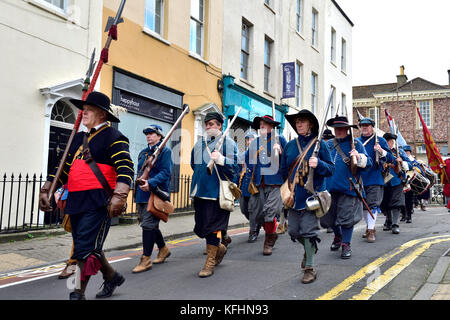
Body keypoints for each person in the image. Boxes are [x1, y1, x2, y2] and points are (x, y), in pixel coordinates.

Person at [39, 91, 134, 300]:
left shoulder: (115, 137)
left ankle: (77, 293)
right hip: (76, 201)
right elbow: (62, 169)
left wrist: (120, 195)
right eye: (83, 110)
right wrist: (47, 189)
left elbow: (126, 168)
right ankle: (112, 277)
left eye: (88, 110)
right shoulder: (78, 139)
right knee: (88, 245)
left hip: (99, 202)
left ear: (101, 114)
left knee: (84, 250)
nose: (83, 113)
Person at [281, 110, 334, 283]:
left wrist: (319, 164)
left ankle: (310, 268)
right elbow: (283, 170)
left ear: (310, 124)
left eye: (302, 121)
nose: (299, 124)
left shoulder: (320, 145)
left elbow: (330, 169)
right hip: (294, 196)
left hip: (312, 195)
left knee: (309, 231)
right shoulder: (290, 146)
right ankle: (310, 249)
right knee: (294, 231)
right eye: (297, 122)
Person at [190, 111, 239, 278]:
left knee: (213, 229)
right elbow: (193, 165)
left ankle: (210, 262)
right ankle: (220, 248)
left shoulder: (228, 142)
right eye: (207, 124)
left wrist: (222, 159)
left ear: (220, 125)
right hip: (200, 191)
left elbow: (236, 167)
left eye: (212, 124)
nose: (209, 126)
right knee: (202, 228)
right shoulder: (198, 144)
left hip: (217, 193)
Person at [321, 116, 372, 259]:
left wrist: (359, 157)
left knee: (346, 218)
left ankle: (346, 243)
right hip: (329, 188)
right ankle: (338, 235)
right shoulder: (327, 144)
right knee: (327, 220)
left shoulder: (356, 144)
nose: (338, 131)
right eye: (336, 128)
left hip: (348, 187)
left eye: (341, 128)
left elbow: (369, 163)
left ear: (347, 129)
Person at [132, 124, 173, 273]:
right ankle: (163, 249)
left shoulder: (165, 151)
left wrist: (151, 183)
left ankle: (146, 259)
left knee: (148, 226)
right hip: (142, 195)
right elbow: (140, 172)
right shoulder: (143, 152)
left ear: (159, 136)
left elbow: (165, 173)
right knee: (150, 225)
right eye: (147, 134)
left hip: (155, 193)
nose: (148, 136)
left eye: (152, 133)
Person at [246, 115, 287, 256]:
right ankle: (272, 232)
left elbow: (289, 160)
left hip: (275, 182)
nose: (262, 126)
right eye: (261, 124)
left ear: (271, 126)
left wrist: (281, 152)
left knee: (270, 212)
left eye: (265, 124)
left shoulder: (279, 139)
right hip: (259, 183)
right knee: (257, 215)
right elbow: (248, 162)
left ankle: (268, 241)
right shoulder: (255, 143)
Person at [356, 117, 395, 243]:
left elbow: (391, 159)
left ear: (372, 127)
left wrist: (381, 151)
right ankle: (369, 227)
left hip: (374, 177)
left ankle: (371, 230)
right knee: (363, 206)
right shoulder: (356, 142)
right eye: (362, 125)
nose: (365, 127)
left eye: (367, 125)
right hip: (360, 178)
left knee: (373, 205)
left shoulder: (380, 140)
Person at [380, 133, 411, 234]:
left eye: (391, 141)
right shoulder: (379, 152)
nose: (390, 143)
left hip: (397, 180)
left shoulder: (399, 152)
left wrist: (401, 161)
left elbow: (410, 164)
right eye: (388, 141)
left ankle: (395, 224)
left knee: (396, 203)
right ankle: (388, 220)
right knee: (385, 202)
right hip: (383, 181)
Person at [238, 131, 262, 243]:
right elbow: (237, 163)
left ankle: (253, 231)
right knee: (243, 208)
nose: (249, 141)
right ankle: (257, 223)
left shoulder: (261, 153)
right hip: (245, 184)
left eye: (251, 139)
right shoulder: (244, 154)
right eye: (247, 139)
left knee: (252, 209)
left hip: (255, 185)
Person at [322, 128, 335, 234]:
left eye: (328, 139)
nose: (326, 141)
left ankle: (333, 224)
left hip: (333, 177)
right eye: (324, 139)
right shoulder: (320, 147)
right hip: (323, 178)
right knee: (326, 200)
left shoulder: (334, 147)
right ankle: (328, 223)